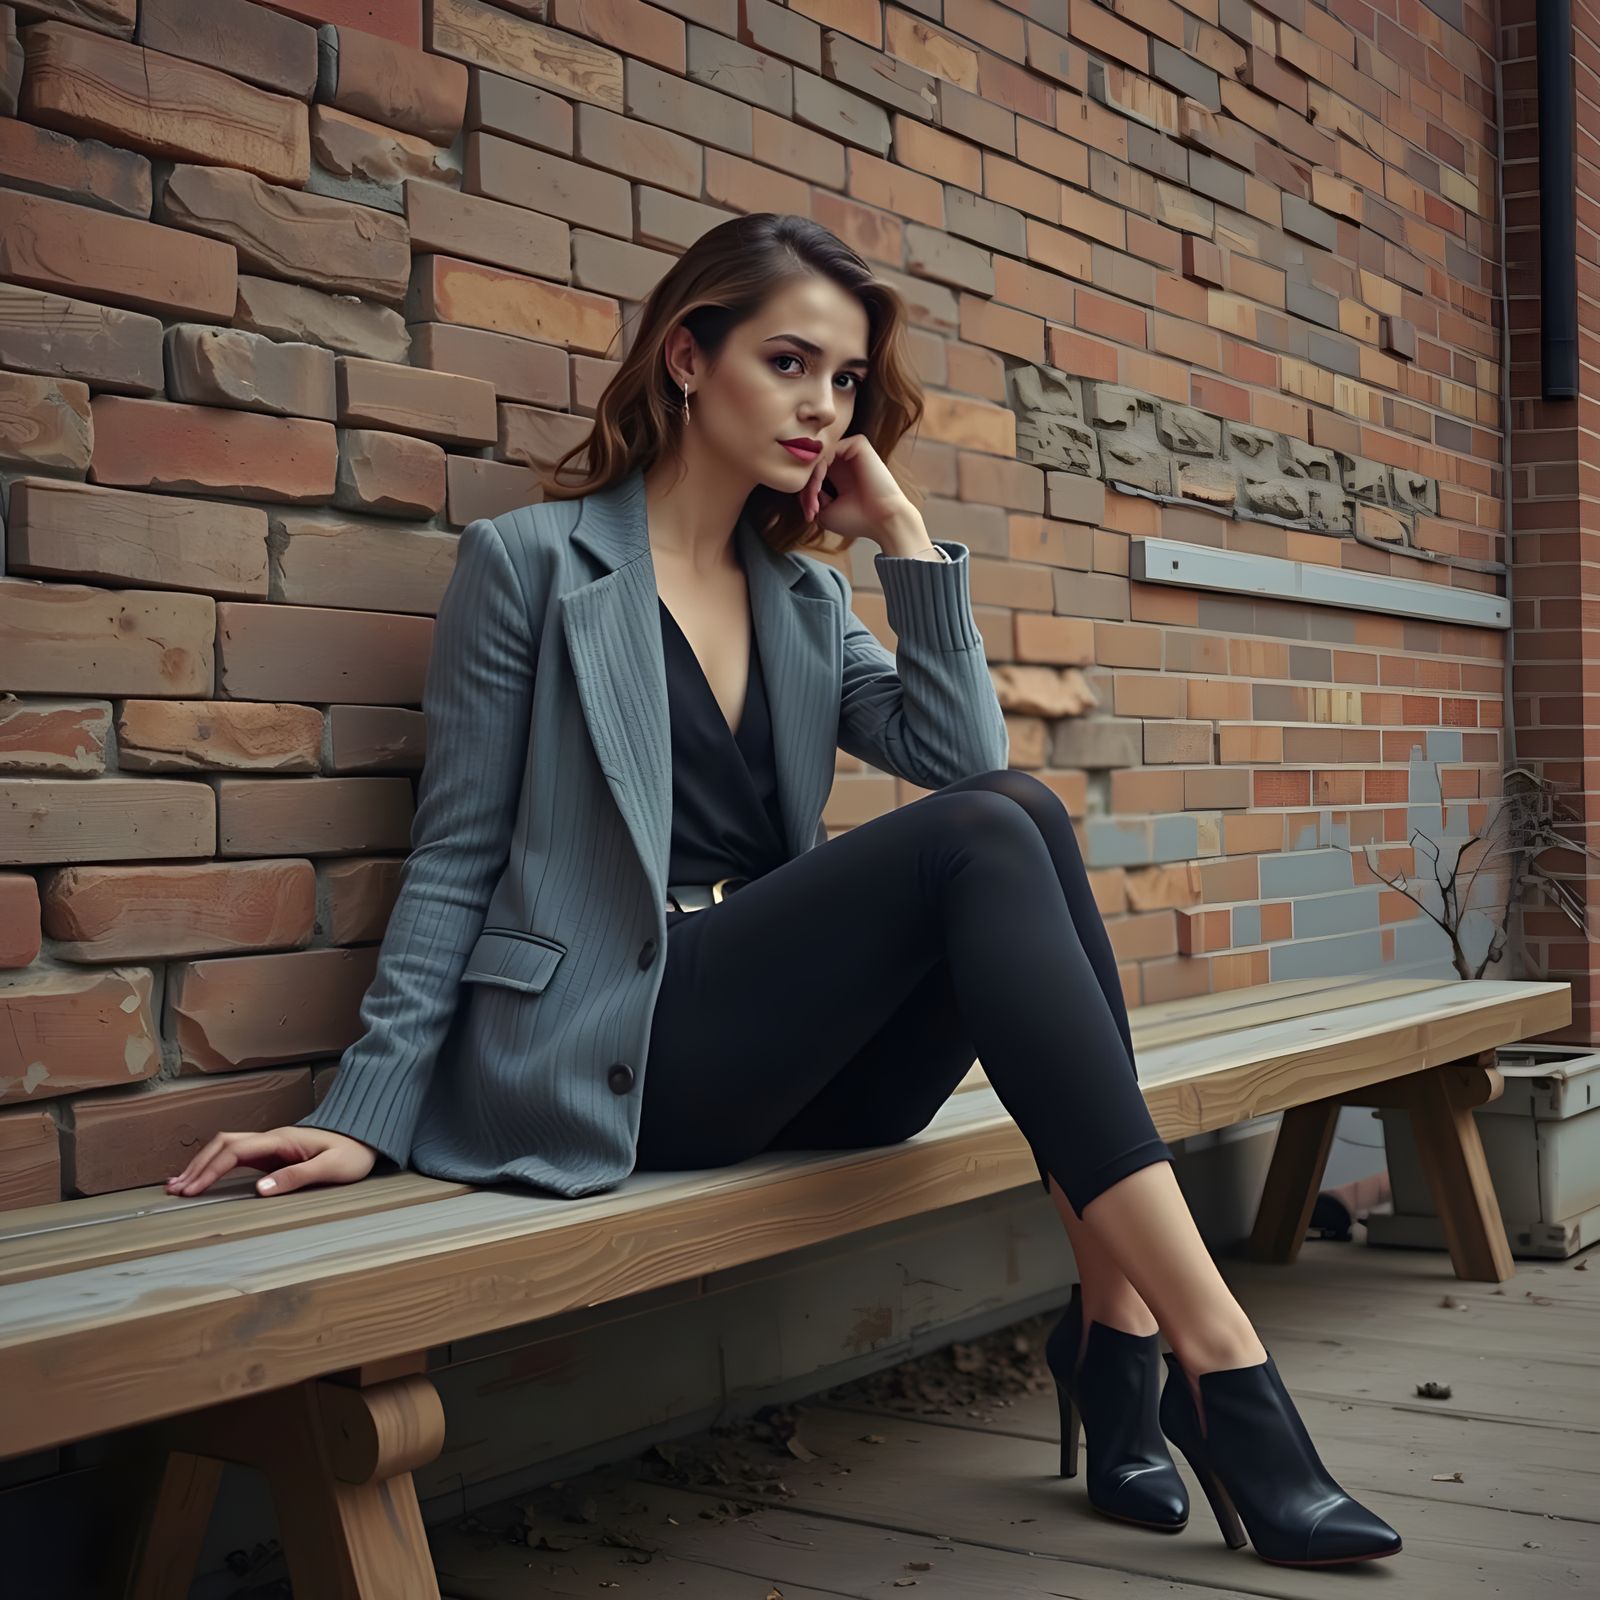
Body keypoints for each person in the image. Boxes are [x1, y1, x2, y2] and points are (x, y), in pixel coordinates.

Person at [162, 214, 1400, 1568]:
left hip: (797, 1066)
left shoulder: (804, 603)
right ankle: (1200, 1365)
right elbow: (456, 855)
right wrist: (367, 1112)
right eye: (791, 362)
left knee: (1018, 817)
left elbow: (961, 758)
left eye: (848, 380)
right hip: (629, 1046)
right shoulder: (533, 567)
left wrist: (909, 540)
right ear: (688, 359)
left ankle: (1122, 1332)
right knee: (997, 833)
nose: (824, 405)